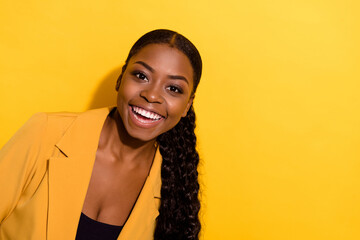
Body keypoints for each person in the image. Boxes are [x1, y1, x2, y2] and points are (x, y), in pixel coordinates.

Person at [0, 29, 202, 240]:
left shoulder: (172, 188)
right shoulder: (45, 132)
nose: (151, 95)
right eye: (141, 76)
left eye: (174, 89)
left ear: (187, 105)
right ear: (120, 79)